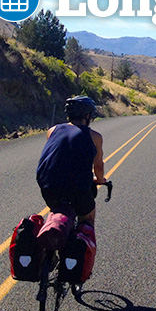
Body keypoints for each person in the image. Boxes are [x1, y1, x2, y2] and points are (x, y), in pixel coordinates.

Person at [36, 95, 107, 225]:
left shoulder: (52, 130)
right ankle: (85, 241)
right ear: (87, 115)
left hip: (48, 186)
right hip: (78, 188)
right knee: (87, 218)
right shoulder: (94, 137)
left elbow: (59, 157)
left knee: (57, 210)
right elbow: (99, 167)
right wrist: (100, 180)